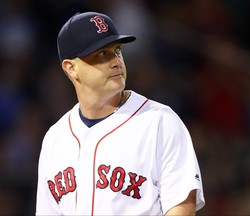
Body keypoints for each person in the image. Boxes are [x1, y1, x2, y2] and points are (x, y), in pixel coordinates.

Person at [36, 11, 205, 215]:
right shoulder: (55, 138)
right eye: (102, 54)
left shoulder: (159, 121)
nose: (116, 61)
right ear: (71, 68)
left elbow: (181, 206)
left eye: (117, 50)